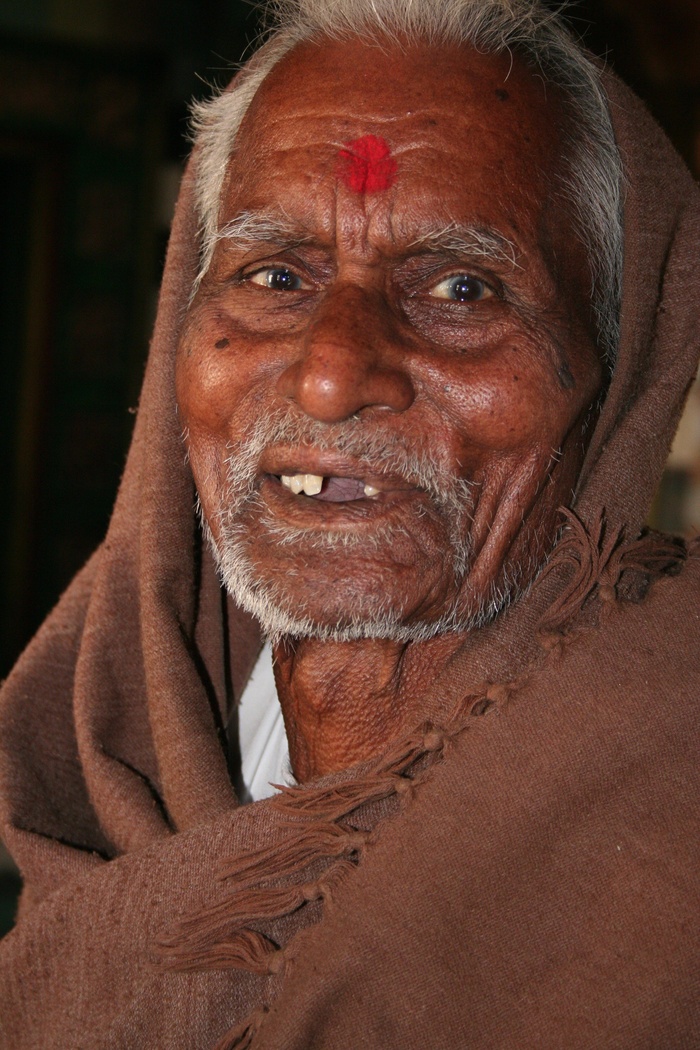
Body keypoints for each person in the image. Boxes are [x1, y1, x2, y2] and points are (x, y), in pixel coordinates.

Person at [0, 1, 698, 1046]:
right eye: (274, 277)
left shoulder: (666, 792)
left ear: (620, 363)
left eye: (461, 289)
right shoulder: (108, 731)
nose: (330, 377)